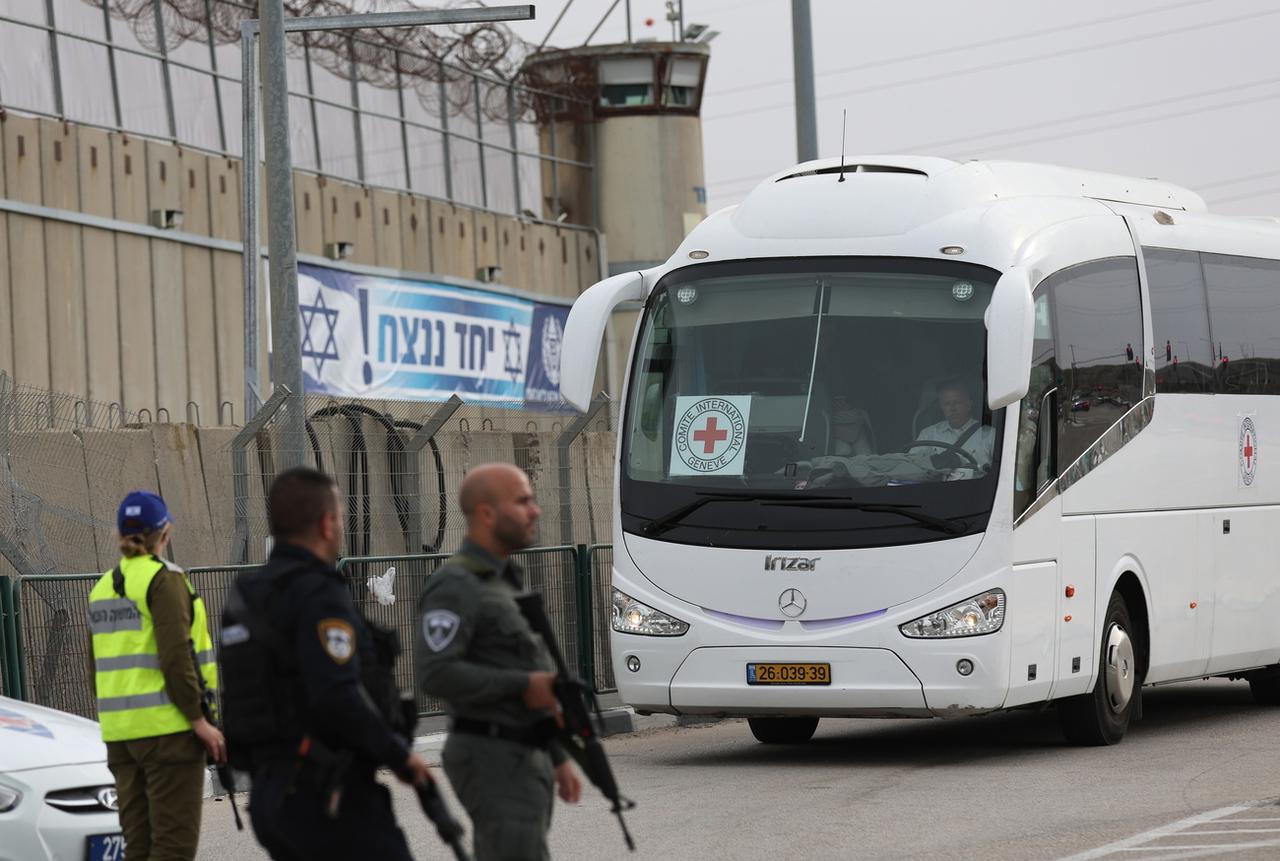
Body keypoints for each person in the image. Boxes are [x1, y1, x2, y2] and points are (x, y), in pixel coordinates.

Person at [221, 467, 431, 861]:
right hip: (325, 792)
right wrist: (398, 755)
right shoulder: (318, 592)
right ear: (327, 522)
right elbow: (336, 693)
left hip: (270, 792)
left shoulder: (246, 594)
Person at [416, 463, 583, 861]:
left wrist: (557, 757)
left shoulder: (505, 579)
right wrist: (523, 686)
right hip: (491, 756)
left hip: (524, 753)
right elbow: (436, 672)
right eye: (523, 501)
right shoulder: (456, 584)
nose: (535, 511)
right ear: (487, 514)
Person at [87, 490, 225, 861]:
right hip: (169, 734)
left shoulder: (101, 588)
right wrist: (199, 721)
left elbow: (95, 668)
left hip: (121, 737)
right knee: (172, 848)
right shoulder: (163, 581)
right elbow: (176, 656)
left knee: (139, 847)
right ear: (164, 533)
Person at [915, 379, 996, 469]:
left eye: (957, 402)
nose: (952, 408)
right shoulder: (928, 434)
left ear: (969, 404)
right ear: (941, 407)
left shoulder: (990, 435)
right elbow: (910, 465)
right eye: (947, 404)